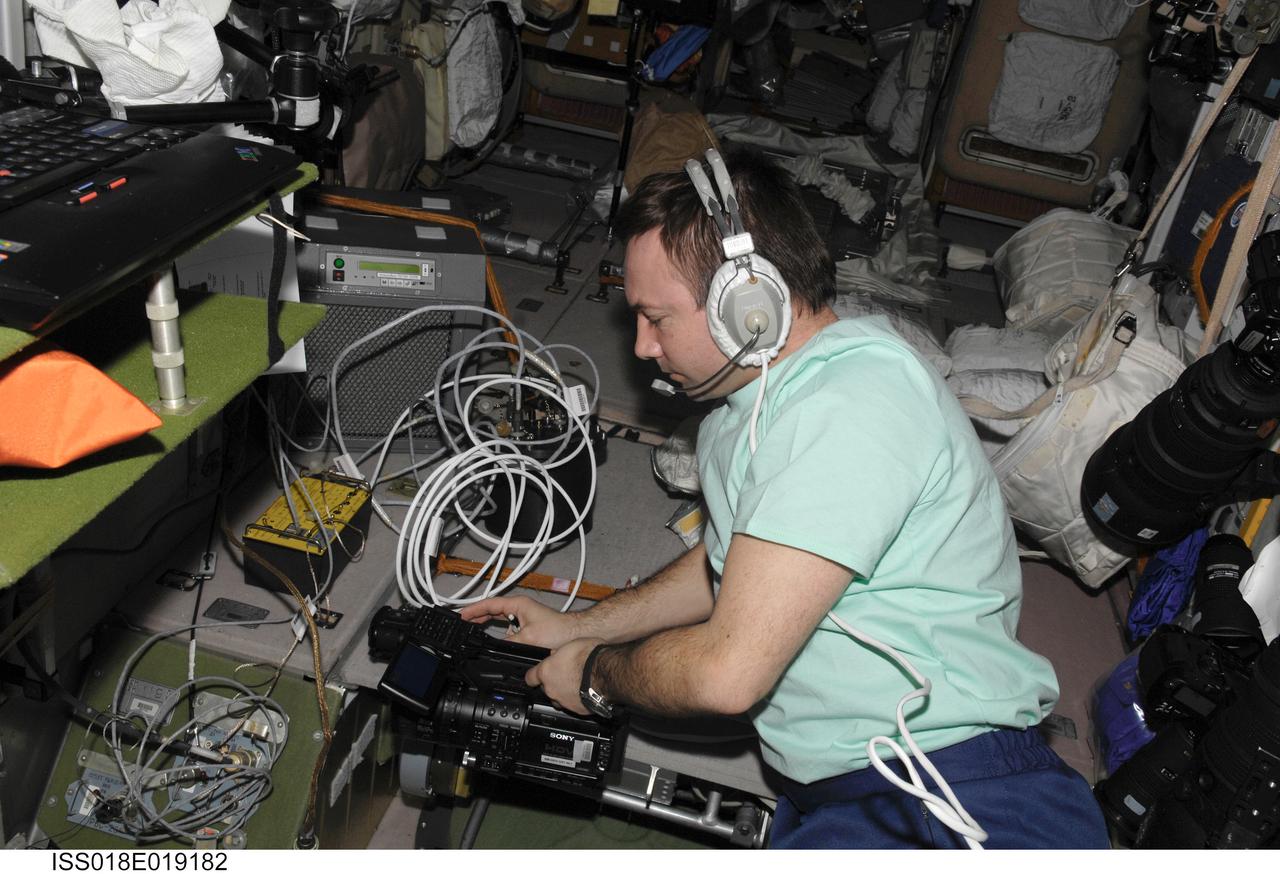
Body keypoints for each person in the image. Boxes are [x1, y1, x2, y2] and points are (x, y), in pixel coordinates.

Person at [461, 148, 1110, 849]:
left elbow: (726, 674)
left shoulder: (851, 407)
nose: (643, 347)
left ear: (750, 306)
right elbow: (735, 562)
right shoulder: (753, 404)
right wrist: (583, 627)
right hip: (859, 783)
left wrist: (595, 676)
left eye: (657, 318)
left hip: (953, 791)